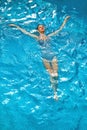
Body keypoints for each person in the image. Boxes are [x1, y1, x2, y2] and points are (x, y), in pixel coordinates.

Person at [9, 16, 70, 100]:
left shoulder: (49, 36)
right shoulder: (37, 37)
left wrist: (65, 20)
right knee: (51, 74)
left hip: (53, 56)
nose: (42, 28)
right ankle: (55, 93)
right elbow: (26, 32)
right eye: (40, 27)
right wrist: (17, 27)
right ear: (38, 30)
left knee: (56, 74)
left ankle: (56, 91)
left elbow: (60, 29)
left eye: (43, 27)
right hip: (45, 57)